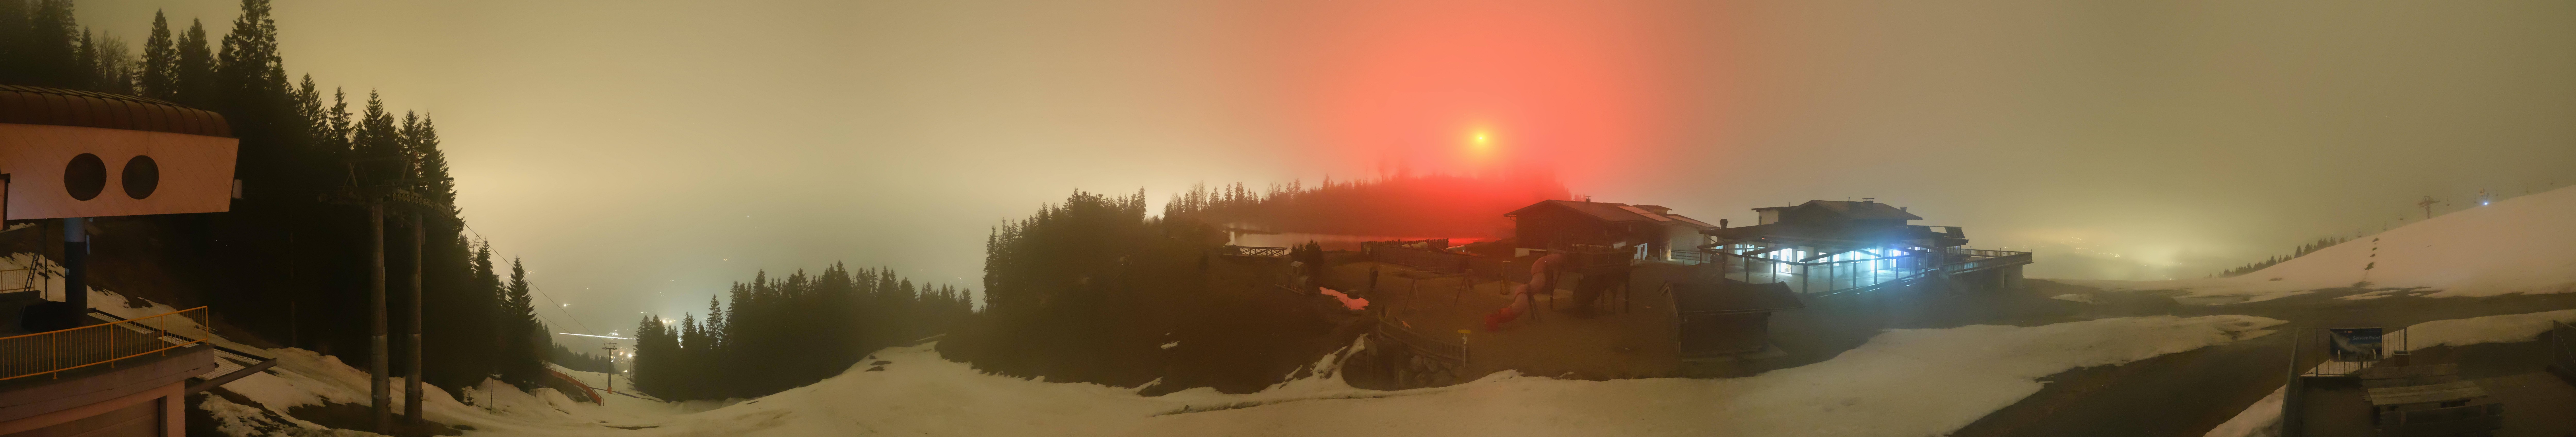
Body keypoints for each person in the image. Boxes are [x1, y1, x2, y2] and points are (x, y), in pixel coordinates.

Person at [1487, 243, 1569, 331]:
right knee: (1521, 299)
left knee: (1520, 299)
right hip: (1528, 288)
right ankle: (1499, 318)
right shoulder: (1543, 265)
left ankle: (1499, 318)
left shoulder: (1541, 265)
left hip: (1526, 288)